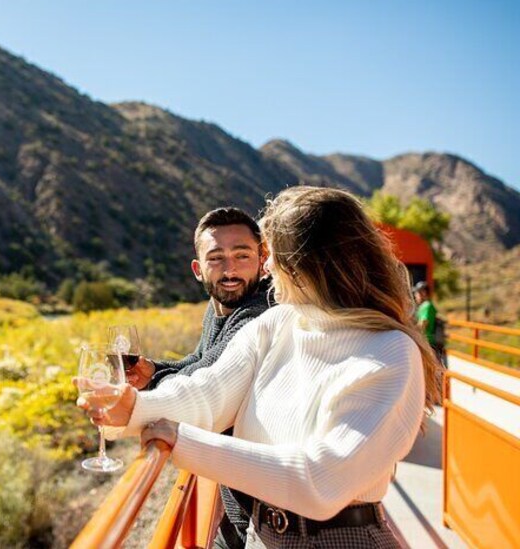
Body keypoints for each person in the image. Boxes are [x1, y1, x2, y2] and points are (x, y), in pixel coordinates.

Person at [81, 187, 442, 548]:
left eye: (275, 255)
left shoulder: (389, 352)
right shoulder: (278, 323)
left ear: (309, 265)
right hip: (261, 536)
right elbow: (209, 391)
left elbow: (320, 480)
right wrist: (134, 408)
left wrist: (180, 440)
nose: (266, 267)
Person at [124, 207, 274, 547]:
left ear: (262, 259)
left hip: (267, 514)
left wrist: (136, 401)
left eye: (242, 255)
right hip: (238, 500)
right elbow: (201, 360)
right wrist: (155, 370)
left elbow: (207, 380)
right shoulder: (218, 306)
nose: (230, 269)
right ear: (198, 268)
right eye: (216, 258)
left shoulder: (260, 311)